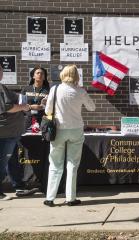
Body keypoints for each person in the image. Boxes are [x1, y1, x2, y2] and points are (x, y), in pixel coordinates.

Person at [43, 65, 95, 207]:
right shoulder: (80, 91)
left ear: (63, 74)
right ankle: (71, 198)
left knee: (55, 164)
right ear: (76, 76)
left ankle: (50, 197)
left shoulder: (54, 89)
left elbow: (48, 110)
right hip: (76, 129)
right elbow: (92, 107)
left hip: (58, 129)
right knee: (72, 164)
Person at [7, 66, 50, 197]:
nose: (40, 75)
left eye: (42, 73)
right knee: (18, 151)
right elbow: (21, 106)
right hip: (26, 122)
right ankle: (20, 183)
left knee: (44, 151)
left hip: (43, 121)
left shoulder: (49, 90)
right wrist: (31, 107)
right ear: (33, 76)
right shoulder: (26, 89)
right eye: (38, 73)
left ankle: (45, 182)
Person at [0, 65, 31, 200]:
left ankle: (19, 186)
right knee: (2, 163)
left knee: (11, 161)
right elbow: (6, 107)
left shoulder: (2, 87)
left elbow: (15, 97)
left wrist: (26, 100)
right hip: (5, 134)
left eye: (1, 70)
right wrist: (23, 107)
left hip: (10, 133)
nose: (1, 73)